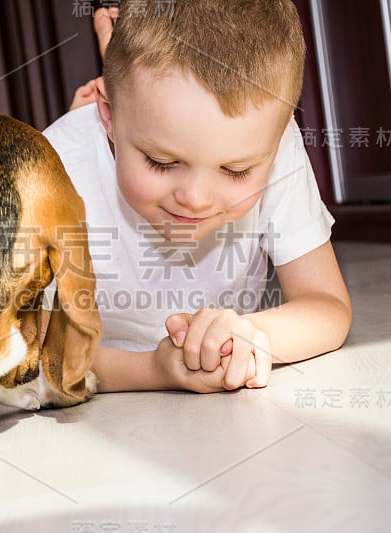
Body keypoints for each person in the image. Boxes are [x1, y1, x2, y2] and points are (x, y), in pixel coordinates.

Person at [44, 0, 351, 394]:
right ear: (108, 115)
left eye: (236, 171)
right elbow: (29, 351)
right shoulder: (55, 168)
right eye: (161, 161)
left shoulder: (272, 142)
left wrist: (250, 334)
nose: (196, 199)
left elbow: (327, 304)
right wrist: (153, 371)